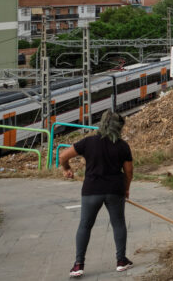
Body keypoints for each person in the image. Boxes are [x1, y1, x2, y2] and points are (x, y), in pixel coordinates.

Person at [60, 111, 134, 278]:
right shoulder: (122, 146)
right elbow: (128, 172)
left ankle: (78, 265)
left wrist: (66, 169)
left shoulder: (88, 142)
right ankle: (121, 261)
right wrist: (126, 188)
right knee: (118, 224)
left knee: (85, 226)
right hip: (115, 191)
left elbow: (63, 155)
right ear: (119, 128)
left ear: (101, 124)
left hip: (91, 190)